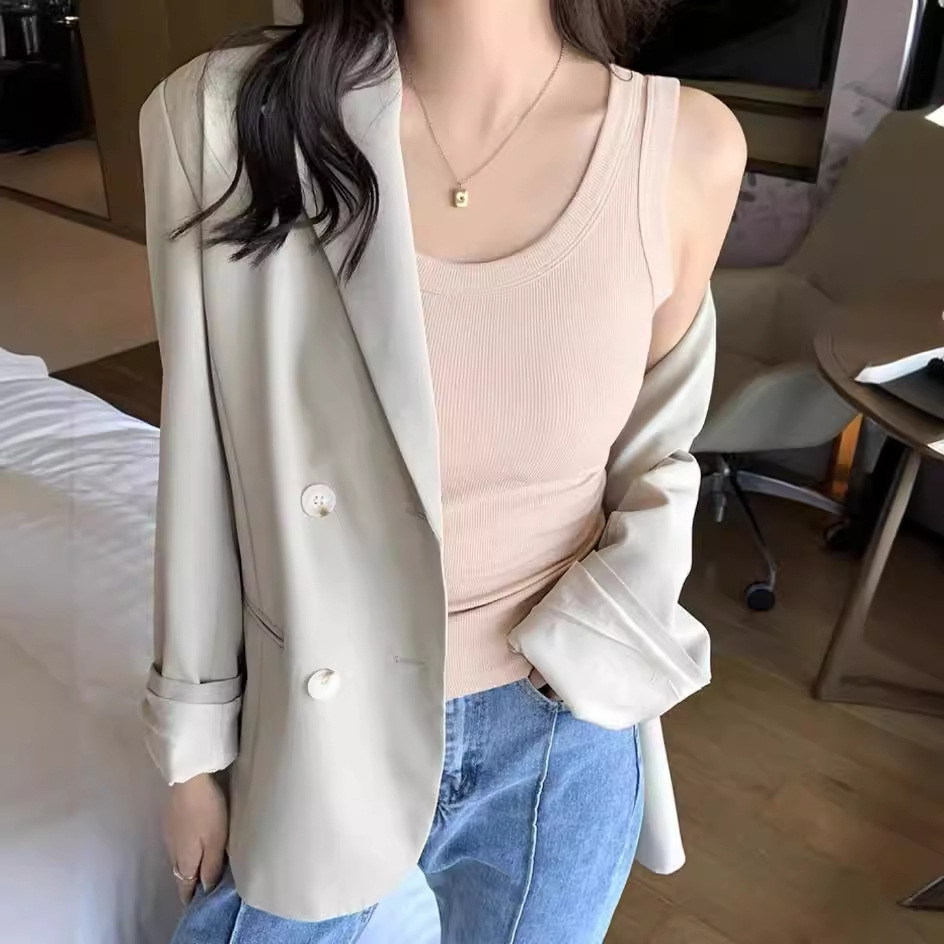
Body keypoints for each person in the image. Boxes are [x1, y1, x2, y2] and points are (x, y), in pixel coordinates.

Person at [140, 1, 745, 941]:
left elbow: (659, 452)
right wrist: (192, 755)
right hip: (317, 726)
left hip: (561, 732)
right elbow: (200, 461)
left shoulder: (686, 148)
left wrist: (605, 642)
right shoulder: (225, 122)